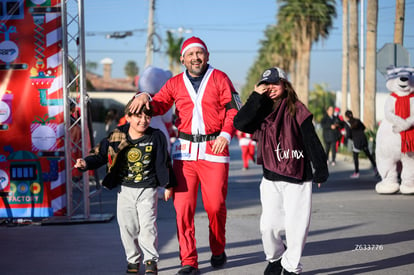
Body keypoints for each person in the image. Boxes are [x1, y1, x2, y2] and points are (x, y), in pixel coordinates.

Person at [129, 36, 240, 275]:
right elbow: (158, 105)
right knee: (183, 209)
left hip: (214, 150)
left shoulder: (220, 78)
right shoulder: (175, 83)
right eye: (190, 54)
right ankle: (188, 261)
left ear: (207, 56)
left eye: (199, 53)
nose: (195, 58)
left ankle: (218, 248)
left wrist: (226, 135)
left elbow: (233, 109)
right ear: (183, 59)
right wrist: (143, 96)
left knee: (215, 206)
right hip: (184, 153)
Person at [233, 67, 329, 275]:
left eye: (275, 83)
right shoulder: (261, 109)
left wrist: (320, 167)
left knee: (297, 227)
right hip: (271, 177)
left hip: (298, 176)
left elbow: (310, 138)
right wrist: (256, 96)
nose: (271, 88)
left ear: (285, 84)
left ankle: (291, 266)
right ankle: (276, 257)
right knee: (268, 226)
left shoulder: (296, 108)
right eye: (267, 84)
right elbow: (240, 123)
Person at [74, 98, 176, 275]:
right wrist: (86, 163)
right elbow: (100, 153)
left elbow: (165, 162)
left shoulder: (156, 136)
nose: (143, 120)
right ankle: (132, 259)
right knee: (127, 227)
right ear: (128, 117)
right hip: (125, 189)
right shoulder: (117, 135)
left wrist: (168, 185)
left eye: (147, 116)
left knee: (148, 226)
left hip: (148, 188)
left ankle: (150, 260)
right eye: (138, 116)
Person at [344, 110, 378, 179]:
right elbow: (364, 128)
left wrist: (351, 138)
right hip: (363, 139)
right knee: (368, 154)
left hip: (356, 141)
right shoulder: (358, 120)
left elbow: (348, 135)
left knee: (355, 157)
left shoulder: (348, 124)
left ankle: (356, 172)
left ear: (346, 117)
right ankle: (376, 168)